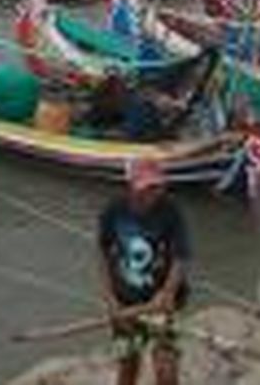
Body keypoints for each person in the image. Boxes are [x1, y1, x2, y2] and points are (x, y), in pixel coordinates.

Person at [97, 158, 191, 385]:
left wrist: (167, 293)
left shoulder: (171, 210)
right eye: (147, 187)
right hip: (125, 304)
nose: (153, 193)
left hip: (161, 303)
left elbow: (181, 256)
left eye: (156, 186)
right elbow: (103, 251)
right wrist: (109, 298)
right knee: (128, 365)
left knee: (166, 370)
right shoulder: (114, 209)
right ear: (131, 185)